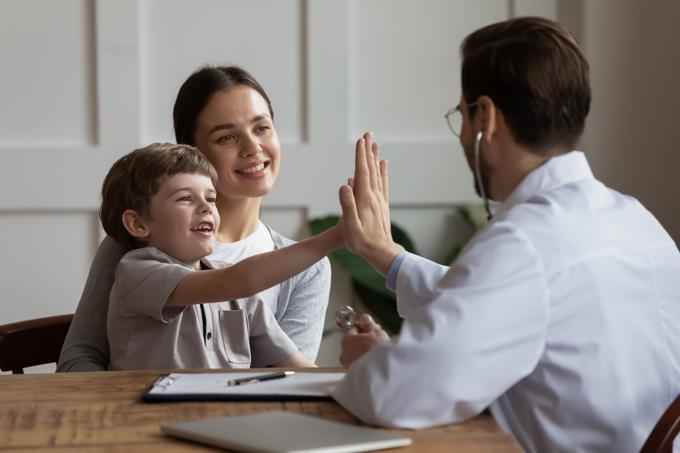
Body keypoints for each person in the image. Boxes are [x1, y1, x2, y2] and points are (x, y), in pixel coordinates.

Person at [332, 17, 680, 452]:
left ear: (487, 118)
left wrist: (372, 361)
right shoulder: (635, 219)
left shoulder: (524, 242)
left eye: (461, 115)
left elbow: (393, 394)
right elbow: (499, 301)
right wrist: (385, 253)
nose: (461, 134)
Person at [58, 66, 331, 371]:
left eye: (261, 127)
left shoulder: (307, 270)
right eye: (227, 137)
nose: (253, 148)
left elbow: (293, 378)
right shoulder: (135, 246)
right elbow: (78, 359)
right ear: (192, 151)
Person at [102, 143, 339, 369]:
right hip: (145, 411)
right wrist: (338, 236)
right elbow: (237, 280)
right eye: (185, 198)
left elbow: (298, 366)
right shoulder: (137, 272)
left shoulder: (239, 296)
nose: (206, 207)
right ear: (138, 224)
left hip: (225, 411)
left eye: (211, 198)